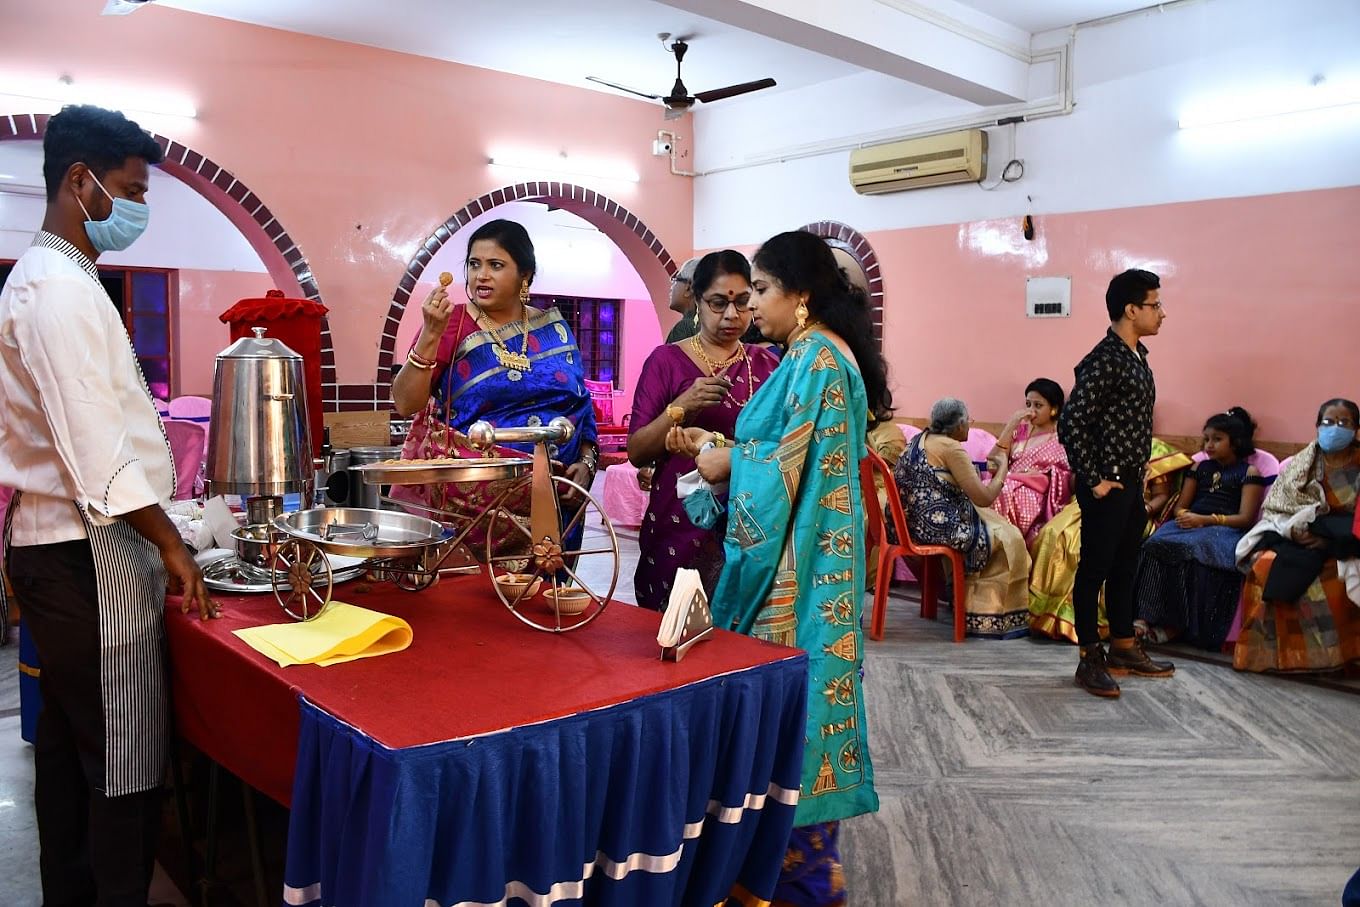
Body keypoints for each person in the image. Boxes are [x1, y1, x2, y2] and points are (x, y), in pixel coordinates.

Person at [0, 104, 217, 906]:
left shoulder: (67, 279)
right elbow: (95, 445)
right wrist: (172, 542)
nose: (137, 209)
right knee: (123, 768)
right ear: (79, 181)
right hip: (83, 551)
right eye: (129, 189)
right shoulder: (55, 288)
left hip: (65, 543)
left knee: (65, 755)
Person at [666, 230, 885, 905]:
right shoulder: (804, 353)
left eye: (759, 290)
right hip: (795, 552)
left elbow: (784, 468)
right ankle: (773, 873)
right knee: (786, 715)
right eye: (737, 295)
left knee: (795, 719)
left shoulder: (817, 358)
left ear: (802, 294)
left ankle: (794, 882)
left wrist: (728, 459)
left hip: (799, 564)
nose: (748, 306)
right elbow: (788, 450)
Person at [390, 219, 598, 549]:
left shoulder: (555, 327)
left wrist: (586, 464)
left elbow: (581, 405)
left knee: (549, 598)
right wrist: (430, 334)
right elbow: (405, 403)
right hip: (472, 510)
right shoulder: (450, 324)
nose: (481, 276)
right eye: (474, 264)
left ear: (525, 275)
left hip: (558, 499)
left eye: (495, 265)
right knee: (475, 598)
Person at [626, 250, 778, 610]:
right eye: (717, 303)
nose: (731, 315)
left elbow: (781, 443)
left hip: (746, 518)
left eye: (742, 302)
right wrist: (683, 406)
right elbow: (636, 450)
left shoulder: (766, 364)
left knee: (734, 636)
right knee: (670, 627)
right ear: (696, 300)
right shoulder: (665, 361)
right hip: (677, 517)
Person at [1058, 268, 1175, 698]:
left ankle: (1123, 645)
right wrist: (1094, 480)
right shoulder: (1104, 359)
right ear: (1131, 309)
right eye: (1155, 305)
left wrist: (1137, 475)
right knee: (1094, 570)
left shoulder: (1137, 356)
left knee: (1127, 566)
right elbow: (1072, 423)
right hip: (1106, 486)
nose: (1162, 313)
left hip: (1129, 482)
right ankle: (1091, 656)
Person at [1233, 398, 1360, 673]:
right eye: (1328, 422)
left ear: (1356, 429)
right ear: (1316, 426)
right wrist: (1297, 531)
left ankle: (1337, 657)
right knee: (1265, 565)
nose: (1335, 428)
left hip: (1347, 538)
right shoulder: (1305, 462)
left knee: (1330, 577)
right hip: (1302, 533)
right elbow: (1281, 505)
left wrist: (1330, 542)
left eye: (1344, 423)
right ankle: (1275, 657)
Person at [1028, 438, 1194, 642]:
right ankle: (1049, 613)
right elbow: (1076, 481)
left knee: (1080, 545)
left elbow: (1161, 495)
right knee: (1052, 533)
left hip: (1133, 510)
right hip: (1091, 502)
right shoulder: (1103, 442)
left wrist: (1144, 510)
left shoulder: (1153, 449)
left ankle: (1098, 630)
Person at [894, 398, 1032, 638]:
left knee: (997, 526)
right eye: (968, 420)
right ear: (958, 426)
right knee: (1008, 537)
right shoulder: (952, 448)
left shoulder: (919, 440)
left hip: (907, 524)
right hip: (934, 528)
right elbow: (984, 497)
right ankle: (986, 617)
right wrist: (1002, 469)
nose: (970, 424)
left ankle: (961, 600)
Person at [1132, 407, 1269, 649]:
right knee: (1154, 545)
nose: (1209, 445)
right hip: (1191, 524)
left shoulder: (1249, 472)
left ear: (1235, 442)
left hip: (1225, 529)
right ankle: (1145, 618)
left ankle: (1177, 625)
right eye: (1206, 439)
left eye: (1217, 439)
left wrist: (1205, 520)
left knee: (1192, 548)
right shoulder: (1199, 469)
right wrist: (1185, 516)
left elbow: (1246, 518)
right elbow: (1180, 507)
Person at [991, 378, 1074, 544]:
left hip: (1038, 495)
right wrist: (1011, 425)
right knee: (988, 490)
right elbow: (993, 464)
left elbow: (1066, 476)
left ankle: (1006, 547)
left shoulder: (1063, 435)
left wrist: (1037, 476)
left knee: (1004, 491)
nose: (1031, 411)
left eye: (1038, 405)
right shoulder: (1019, 431)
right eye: (1028, 404)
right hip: (1007, 484)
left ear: (1054, 409)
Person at [663, 256, 700, 344]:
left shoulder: (684, 328)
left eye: (676, 279)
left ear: (689, 287)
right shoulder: (711, 329)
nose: (672, 286)